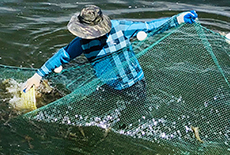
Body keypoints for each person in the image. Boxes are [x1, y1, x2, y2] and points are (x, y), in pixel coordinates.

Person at [22, 5, 198, 99]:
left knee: (134, 111)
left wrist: (179, 18)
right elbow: (63, 55)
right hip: (109, 85)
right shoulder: (81, 43)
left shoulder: (121, 28)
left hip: (135, 83)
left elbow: (150, 27)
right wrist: (38, 76)